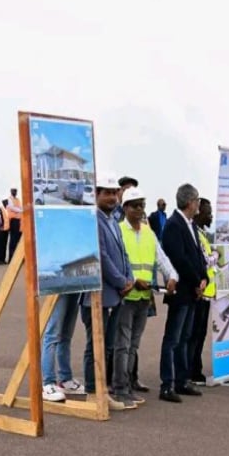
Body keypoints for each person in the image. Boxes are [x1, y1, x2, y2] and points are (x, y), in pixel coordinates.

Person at [117, 188, 178, 404]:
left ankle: (127, 383)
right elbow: (114, 264)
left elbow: (162, 259)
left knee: (133, 345)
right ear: (125, 208)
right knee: (122, 345)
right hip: (125, 298)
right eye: (135, 205)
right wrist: (133, 281)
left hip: (144, 298)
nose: (140, 210)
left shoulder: (148, 233)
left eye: (142, 205)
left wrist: (172, 276)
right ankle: (120, 388)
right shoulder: (119, 231)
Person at [80, 174, 132, 411]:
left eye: (114, 192)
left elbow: (123, 254)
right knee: (96, 345)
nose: (112, 197)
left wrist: (128, 277)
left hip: (115, 293)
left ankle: (103, 390)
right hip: (98, 294)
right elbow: (102, 257)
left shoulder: (112, 220)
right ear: (96, 194)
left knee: (108, 345)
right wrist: (122, 281)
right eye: (107, 193)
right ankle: (93, 392)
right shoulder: (93, 221)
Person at [159, 183, 207, 402]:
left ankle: (182, 379)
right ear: (190, 202)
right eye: (197, 200)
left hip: (193, 290)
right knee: (173, 339)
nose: (199, 204)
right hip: (181, 291)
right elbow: (179, 259)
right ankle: (167, 384)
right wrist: (197, 280)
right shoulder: (173, 225)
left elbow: (197, 255)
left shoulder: (190, 225)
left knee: (186, 337)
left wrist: (204, 277)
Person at [187, 197, 216, 383]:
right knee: (194, 333)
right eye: (208, 212)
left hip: (207, 293)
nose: (211, 216)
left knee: (201, 333)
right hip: (198, 292)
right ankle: (191, 370)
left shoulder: (203, 235)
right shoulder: (195, 235)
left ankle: (195, 368)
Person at [41, 294, 85, 402]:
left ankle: (65, 379)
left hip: (74, 286)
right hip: (58, 287)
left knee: (66, 336)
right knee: (52, 335)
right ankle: (48, 383)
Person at [7, 188, 23, 258]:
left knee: (17, 240)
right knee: (13, 240)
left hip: (19, 221)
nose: (15, 192)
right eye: (13, 191)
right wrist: (20, 210)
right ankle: (11, 258)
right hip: (13, 221)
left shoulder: (18, 200)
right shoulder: (9, 199)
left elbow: (20, 208)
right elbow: (12, 208)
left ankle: (16, 257)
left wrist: (20, 210)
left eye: (16, 191)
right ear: (11, 191)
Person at [0, 199, 11, 263]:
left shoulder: (7, 209)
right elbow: (0, 218)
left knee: (5, 245)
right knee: (2, 245)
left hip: (6, 229)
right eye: (6, 202)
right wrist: (0, 226)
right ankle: (1, 258)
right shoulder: (1, 209)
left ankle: (3, 259)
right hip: (2, 229)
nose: (7, 203)